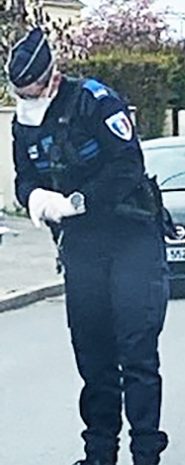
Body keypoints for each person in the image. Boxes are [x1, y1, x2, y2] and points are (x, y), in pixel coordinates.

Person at [8, 28, 170, 465]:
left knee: (136, 352)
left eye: (33, 90)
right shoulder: (23, 121)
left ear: (52, 77)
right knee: (93, 355)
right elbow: (25, 176)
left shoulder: (95, 102)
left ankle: (145, 453)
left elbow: (128, 165)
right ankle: (99, 454)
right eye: (20, 93)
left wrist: (79, 203)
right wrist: (36, 200)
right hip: (81, 246)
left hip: (130, 236)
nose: (28, 99)